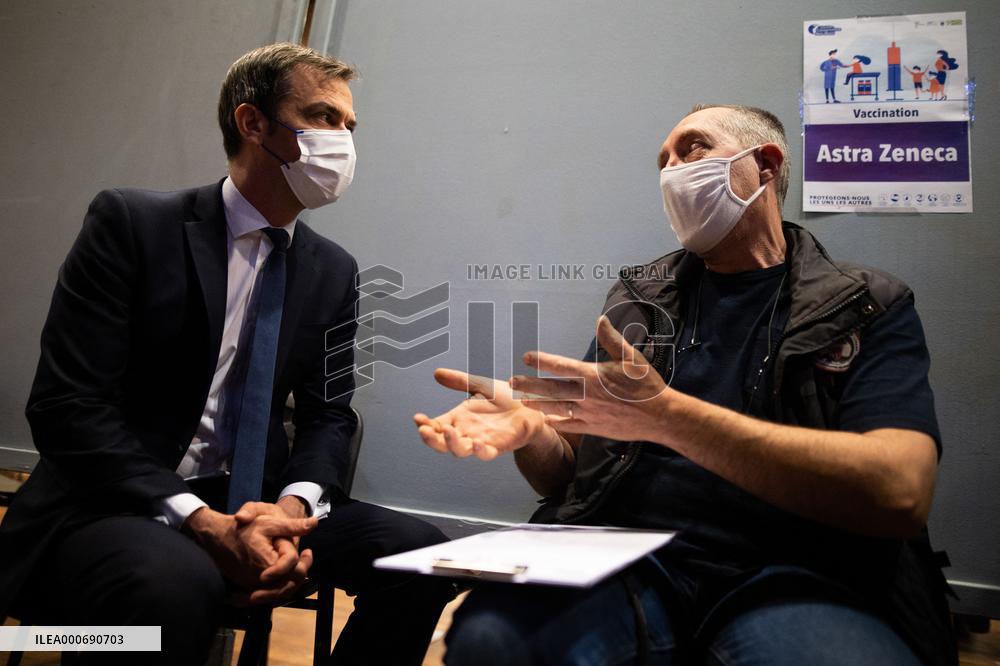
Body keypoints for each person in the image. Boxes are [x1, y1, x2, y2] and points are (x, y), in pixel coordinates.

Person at [416, 104, 956, 665]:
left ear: (765, 165)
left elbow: (899, 491)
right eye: (662, 161)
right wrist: (532, 435)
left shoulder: (864, 306)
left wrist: (669, 417)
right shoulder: (640, 302)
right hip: (627, 561)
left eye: (692, 149)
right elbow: (568, 476)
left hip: (796, 571)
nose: (672, 171)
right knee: (492, 637)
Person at [0, 43, 452, 665]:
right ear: (252, 123)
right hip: (116, 500)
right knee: (179, 584)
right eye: (323, 117)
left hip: (259, 501)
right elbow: (66, 407)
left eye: (350, 126)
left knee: (420, 556)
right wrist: (201, 522)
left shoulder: (333, 270)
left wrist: (290, 510)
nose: (343, 139)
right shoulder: (133, 224)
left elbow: (329, 416)